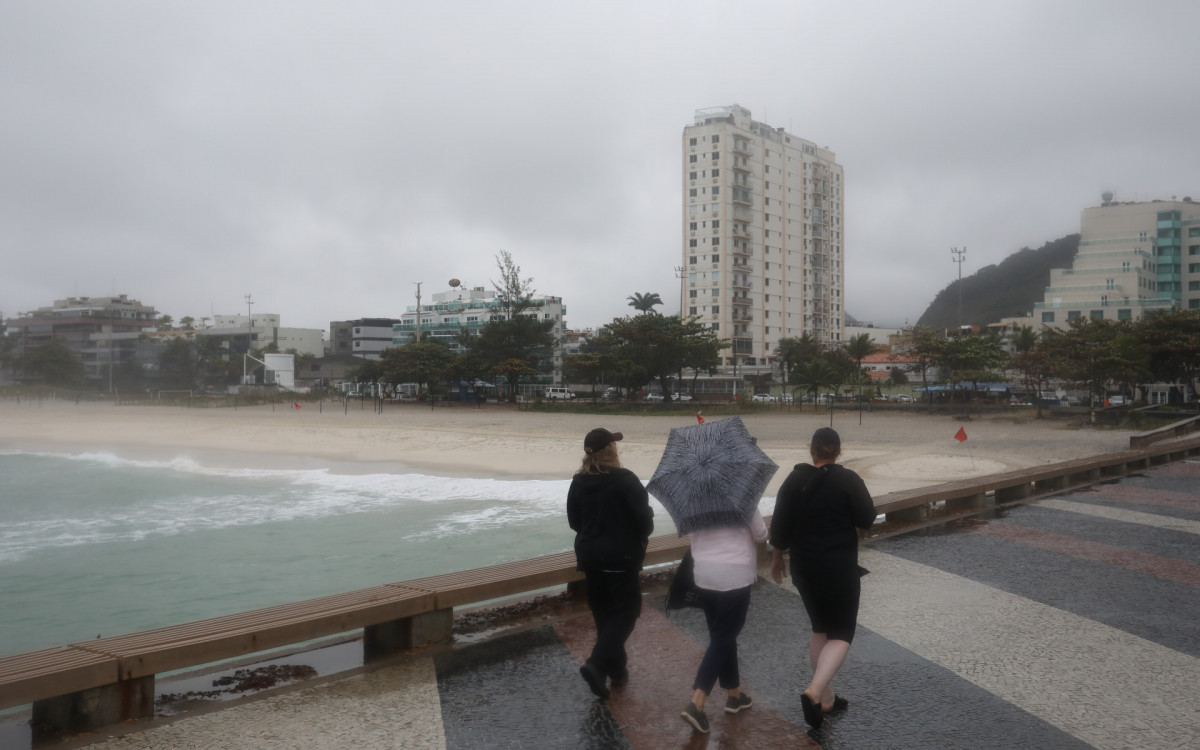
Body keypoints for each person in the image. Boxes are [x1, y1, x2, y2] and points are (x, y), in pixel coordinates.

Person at [769, 427, 875, 730]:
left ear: (811, 449)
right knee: (841, 633)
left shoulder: (793, 480)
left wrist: (777, 557)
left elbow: (780, 525)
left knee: (820, 628)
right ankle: (814, 691)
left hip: (804, 567)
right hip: (838, 567)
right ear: (838, 452)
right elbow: (866, 517)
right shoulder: (848, 479)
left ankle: (826, 697)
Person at [567, 427, 654, 700]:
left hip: (590, 557)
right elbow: (645, 524)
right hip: (622, 557)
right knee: (626, 613)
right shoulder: (626, 479)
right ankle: (597, 664)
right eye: (615, 443)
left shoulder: (578, 481)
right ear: (611, 449)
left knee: (604, 613)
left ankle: (617, 670)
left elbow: (574, 522)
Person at [680, 508, 769, 734]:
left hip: (705, 575)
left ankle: (734, 695)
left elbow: (692, 536)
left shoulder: (694, 498)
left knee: (722, 636)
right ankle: (697, 702)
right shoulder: (742, 497)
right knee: (722, 638)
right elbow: (761, 534)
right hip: (735, 576)